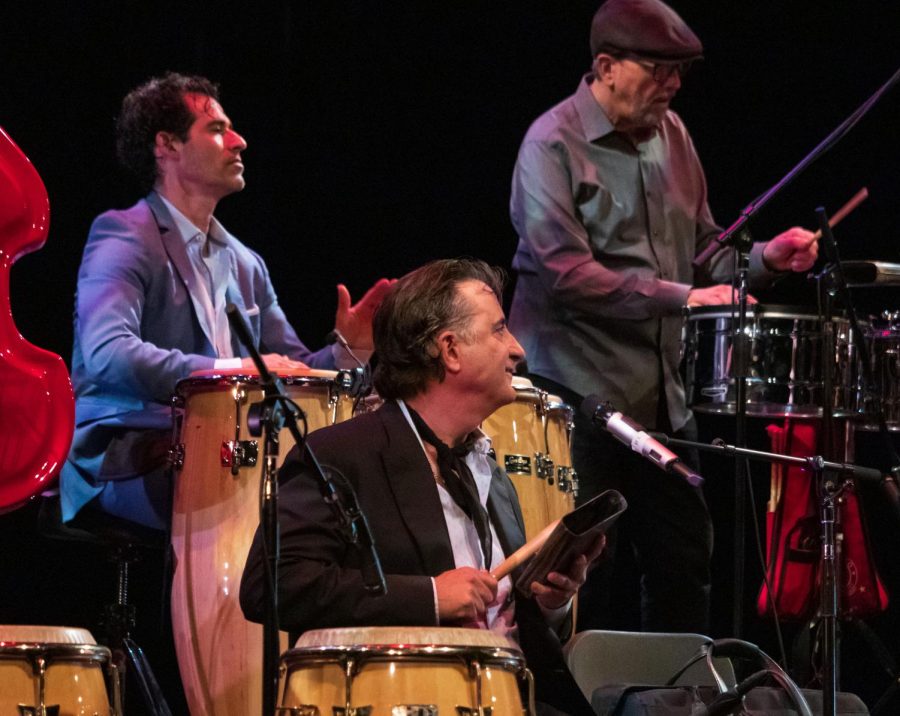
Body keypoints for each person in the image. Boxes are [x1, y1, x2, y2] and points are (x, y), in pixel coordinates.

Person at [507, 0, 819, 632]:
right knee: (579, 576)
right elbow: (566, 276)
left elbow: (706, 252)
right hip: (575, 401)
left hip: (660, 404)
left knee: (684, 559)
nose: (674, 85)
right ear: (606, 67)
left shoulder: (673, 136)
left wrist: (766, 259)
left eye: (680, 72)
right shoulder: (551, 143)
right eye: (659, 69)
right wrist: (684, 297)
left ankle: (676, 698)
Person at [241, 258, 603, 716]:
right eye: (498, 330)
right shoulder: (342, 455)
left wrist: (549, 602)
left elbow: (510, 629)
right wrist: (430, 596)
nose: (517, 350)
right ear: (449, 350)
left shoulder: (491, 475)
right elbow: (272, 585)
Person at [60, 72, 391, 531]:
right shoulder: (124, 233)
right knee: (264, 502)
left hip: (221, 449)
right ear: (166, 146)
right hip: (130, 452)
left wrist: (350, 350)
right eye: (216, 129)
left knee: (341, 491)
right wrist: (229, 372)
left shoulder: (246, 263)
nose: (239, 141)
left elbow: (291, 369)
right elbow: (107, 354)